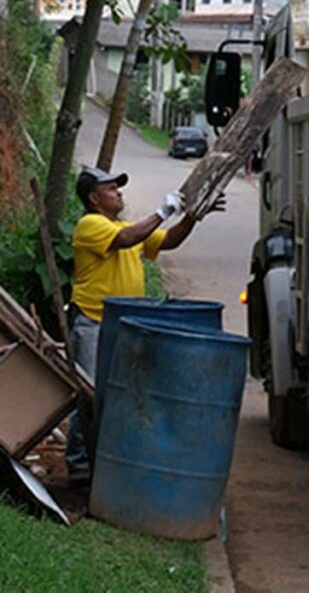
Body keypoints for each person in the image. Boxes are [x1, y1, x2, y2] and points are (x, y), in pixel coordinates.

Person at [64, 166, 221, 487]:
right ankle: (80, 466)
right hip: (94, 322)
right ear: (94, 199)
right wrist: (163, 211)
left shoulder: (124, 227)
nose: (119, 193)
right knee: (89, 396)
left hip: (126, 326)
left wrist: (192, 217)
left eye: (118, 188)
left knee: (119, 396)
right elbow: (127, 239)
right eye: (111, 189)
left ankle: (107, 461)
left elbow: (167, 241)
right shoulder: (90, 225)